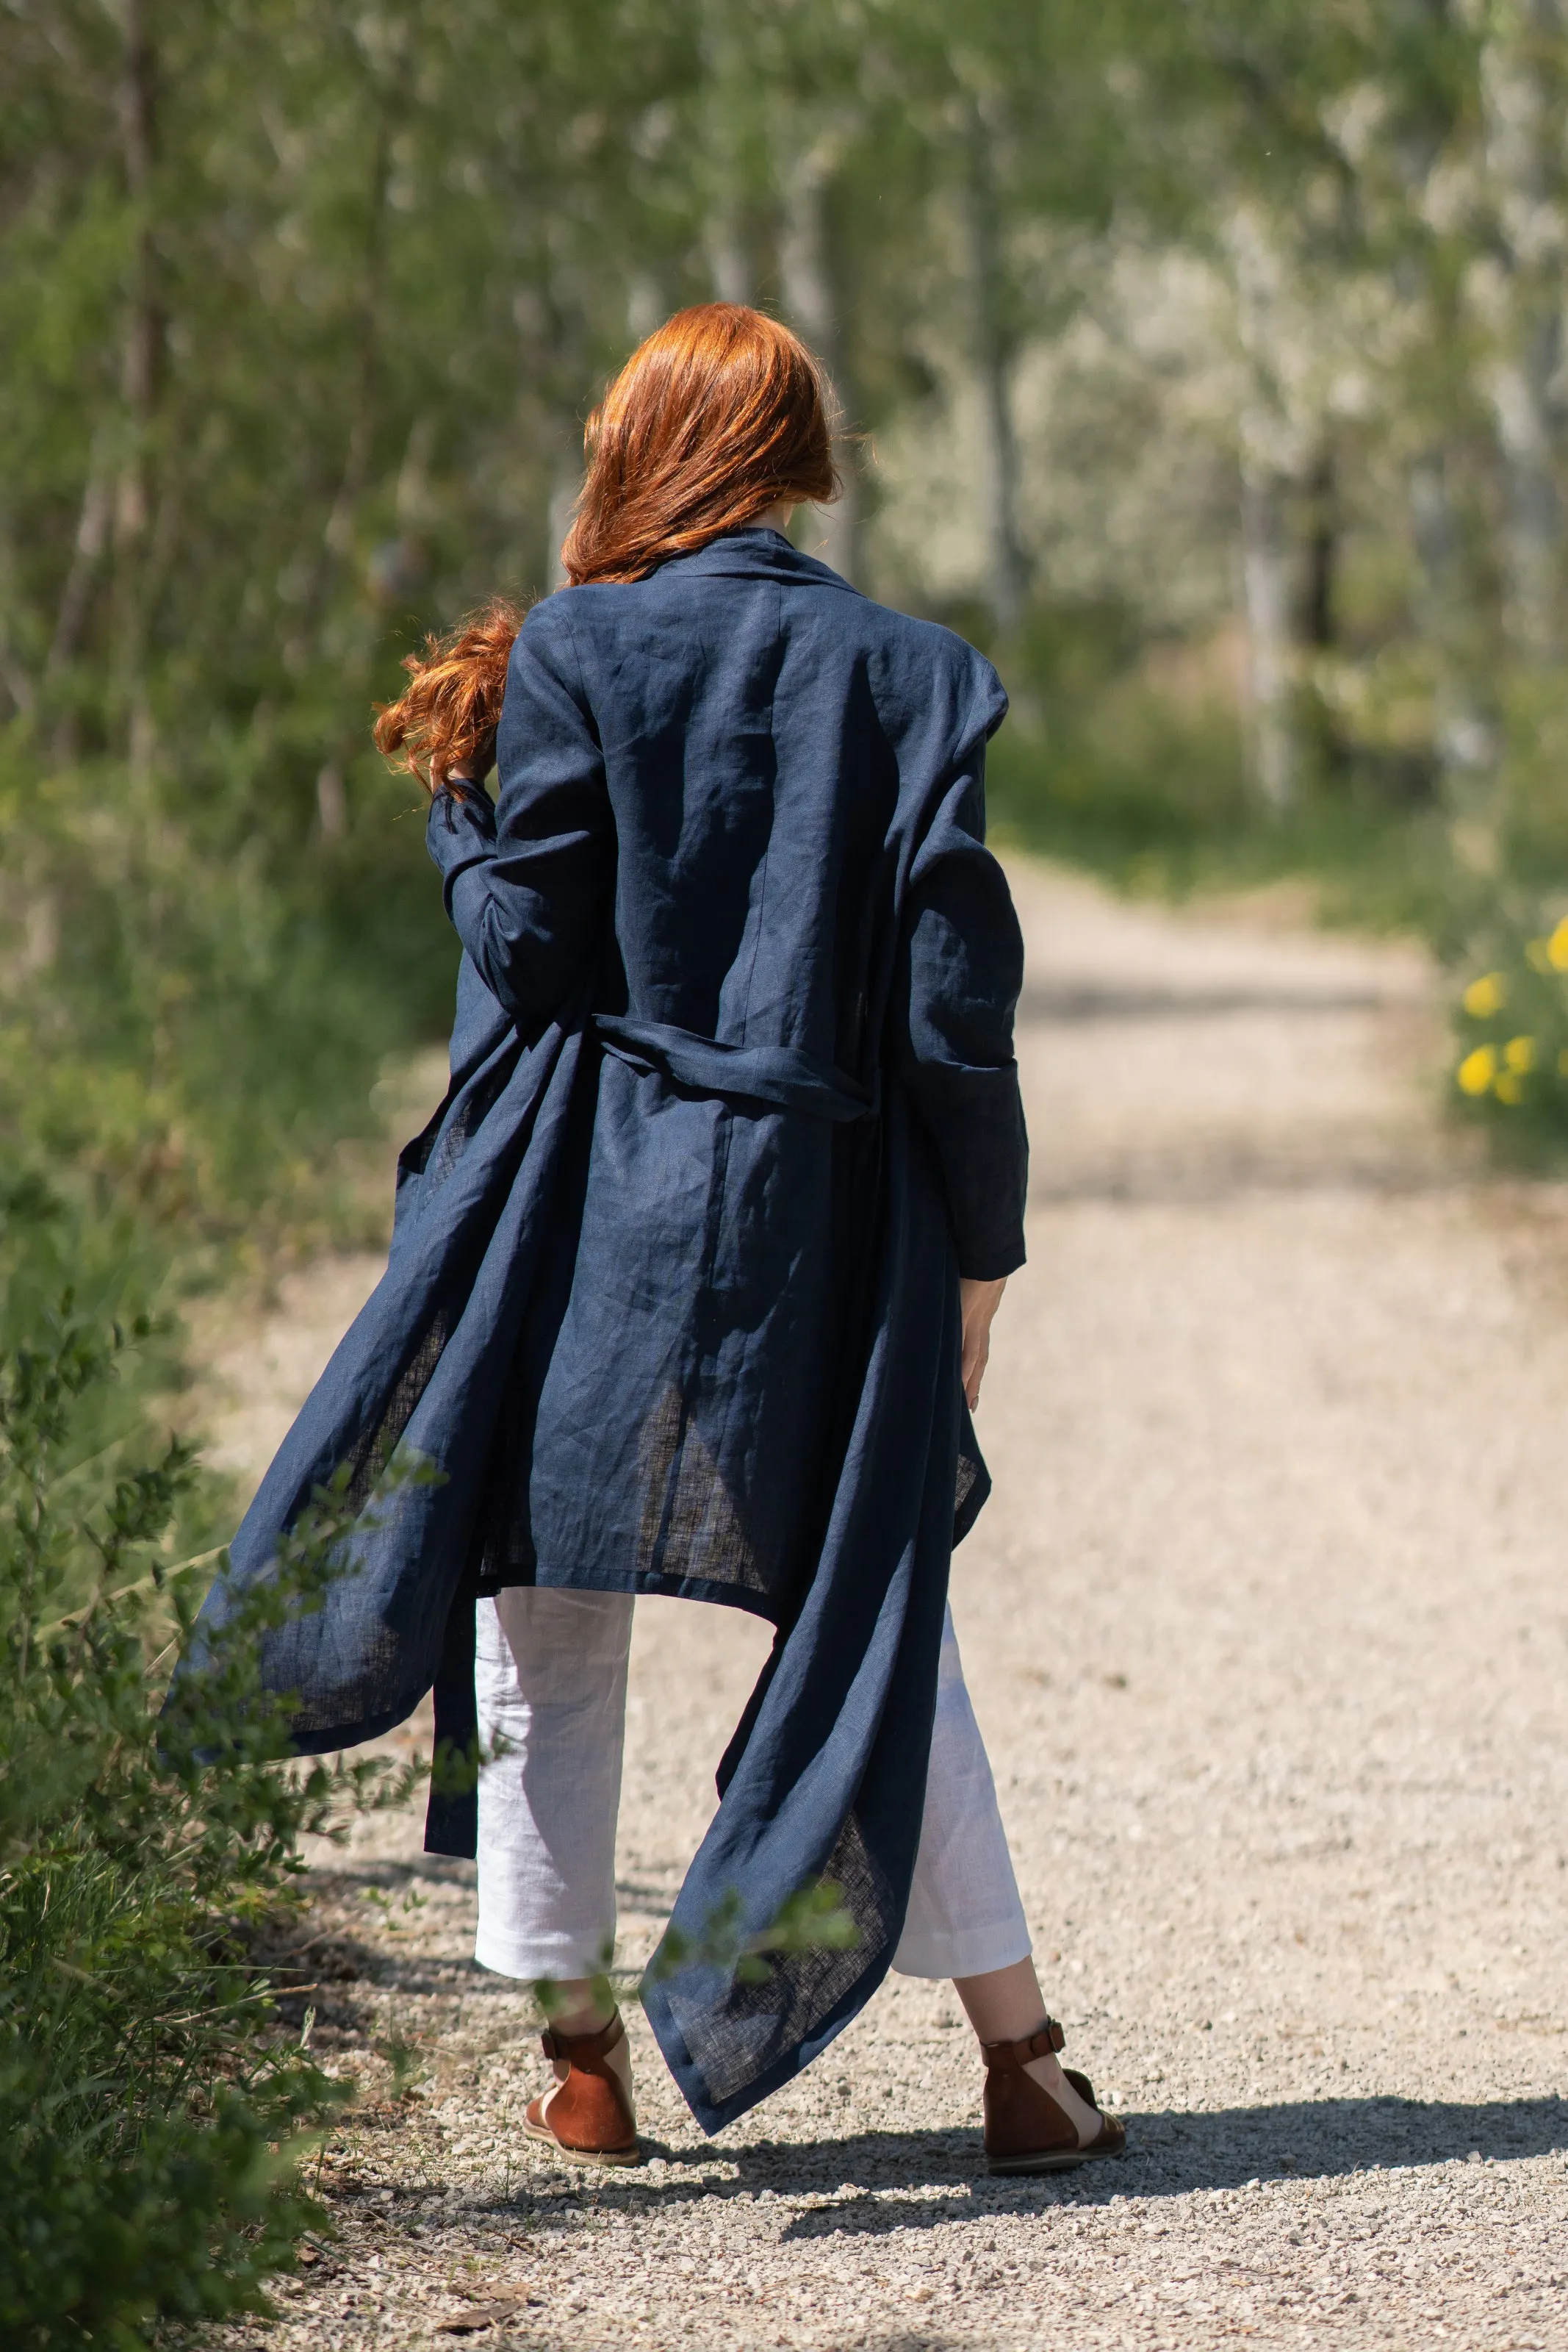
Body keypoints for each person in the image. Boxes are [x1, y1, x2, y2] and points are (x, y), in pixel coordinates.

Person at [181, 303, 1123, 2177]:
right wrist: (980, 1257)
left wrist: (456, 811)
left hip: (595, 1209)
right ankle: (1020, 2064)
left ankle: (583, 2054)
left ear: (645, 449)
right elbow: (953, 1007)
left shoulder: (576, 650)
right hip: (830, 1220)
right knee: (874, 1623)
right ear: (792, 452)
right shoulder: (916, 673)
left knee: (546, 1613)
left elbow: (530, 949)